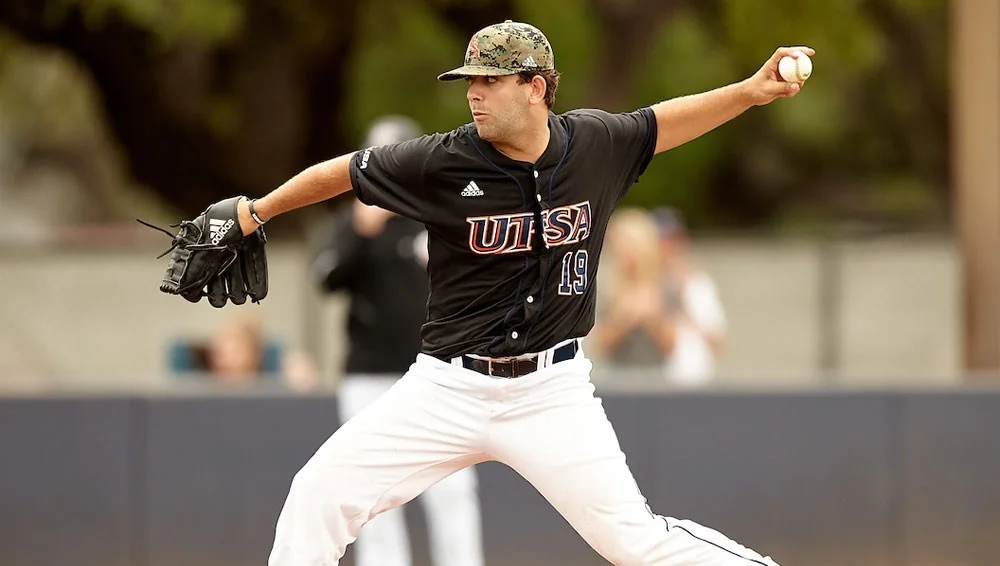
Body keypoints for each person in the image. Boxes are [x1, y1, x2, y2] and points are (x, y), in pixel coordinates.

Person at [208, 20, 811, 565]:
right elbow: (341, 171)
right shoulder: (440, 160)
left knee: (635, 540)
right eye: (470, 79)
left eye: (492, 80)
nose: (474, 92)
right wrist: (255, 212)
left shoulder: (596, 145)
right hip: (447, 386)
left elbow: (663, 122)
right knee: (318, 496)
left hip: (551, 392)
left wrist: (750, 91)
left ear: (537, 87)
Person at [310, 116, 485, 566]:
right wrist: (360, 229)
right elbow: (325, 277)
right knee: (373, 495)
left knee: (451, 489)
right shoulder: (357, 222)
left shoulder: (440, 213)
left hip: (440, 373)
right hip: (370, 374)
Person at [591, 208, 676, 375]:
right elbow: (600, 344)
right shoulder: (606, 287)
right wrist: (624, 318)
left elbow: (672, 344)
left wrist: (652, 318)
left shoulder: (664, 284)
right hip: (618, 378)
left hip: (658, 376)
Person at [651, 207, 728, 386]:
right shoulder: (645, 285)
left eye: (671, 239)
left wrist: (681, 297)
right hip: (657, 382)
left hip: (697, 380)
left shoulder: (698, 283)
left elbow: (717, 340)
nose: (666, 247)